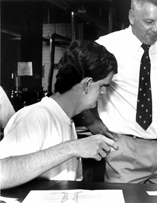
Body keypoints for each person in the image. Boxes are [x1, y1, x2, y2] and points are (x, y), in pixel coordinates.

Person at [79, 0, 157, 184]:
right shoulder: (106, 46)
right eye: (149, 22)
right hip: (126, 151)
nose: (156, 29)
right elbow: (77, 87)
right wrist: (90, 121)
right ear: (132, 16)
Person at [0, 40, 119, 189]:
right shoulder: (34, 117)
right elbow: (1, 175)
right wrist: (73, 148)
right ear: (87, 84)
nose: (104, 92)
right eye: (102, 86)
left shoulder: (65, 119)